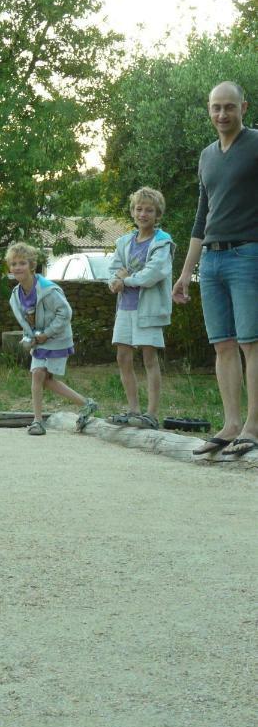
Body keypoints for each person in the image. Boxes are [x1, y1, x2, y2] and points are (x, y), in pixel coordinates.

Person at [172, 82, 258, 458]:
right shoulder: (207, 156)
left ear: (244, 107)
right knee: (222, 344)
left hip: (248, 256)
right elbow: (201, 219)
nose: (222, 114)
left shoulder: (256, 145)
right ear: (208, 110)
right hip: (211, 260)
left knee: (251, 343)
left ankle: (254, 426)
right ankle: (231, 424)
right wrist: (184, 274)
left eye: (229, 107)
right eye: (215, 108)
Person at [6, 241, 98, 435]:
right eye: (13, 264)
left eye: (22, 263)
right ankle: (39, 420)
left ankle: (84, 404)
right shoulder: (16, 295)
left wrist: (46, 334)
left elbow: (65, 313)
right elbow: (27, 321)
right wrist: (29, 337)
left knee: (43, 378)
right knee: (39, 375)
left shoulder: (48, 289)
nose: (17, 267)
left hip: (57, 338)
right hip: (39, 340)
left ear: (31, 265)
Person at [106, 187, 175, 429]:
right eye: (139, 209)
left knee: (149, 358)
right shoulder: (124, 242)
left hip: (149, 308)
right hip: (125, 308)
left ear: (157, 214)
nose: (143, 214)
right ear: (133, 212)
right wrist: (116, 280)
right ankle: (133, 409)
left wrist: (126, 280)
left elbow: (152, 274)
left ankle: (151, 414)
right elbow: (113, 269)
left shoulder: (162, 242)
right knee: (123, 356)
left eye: (149, 210)